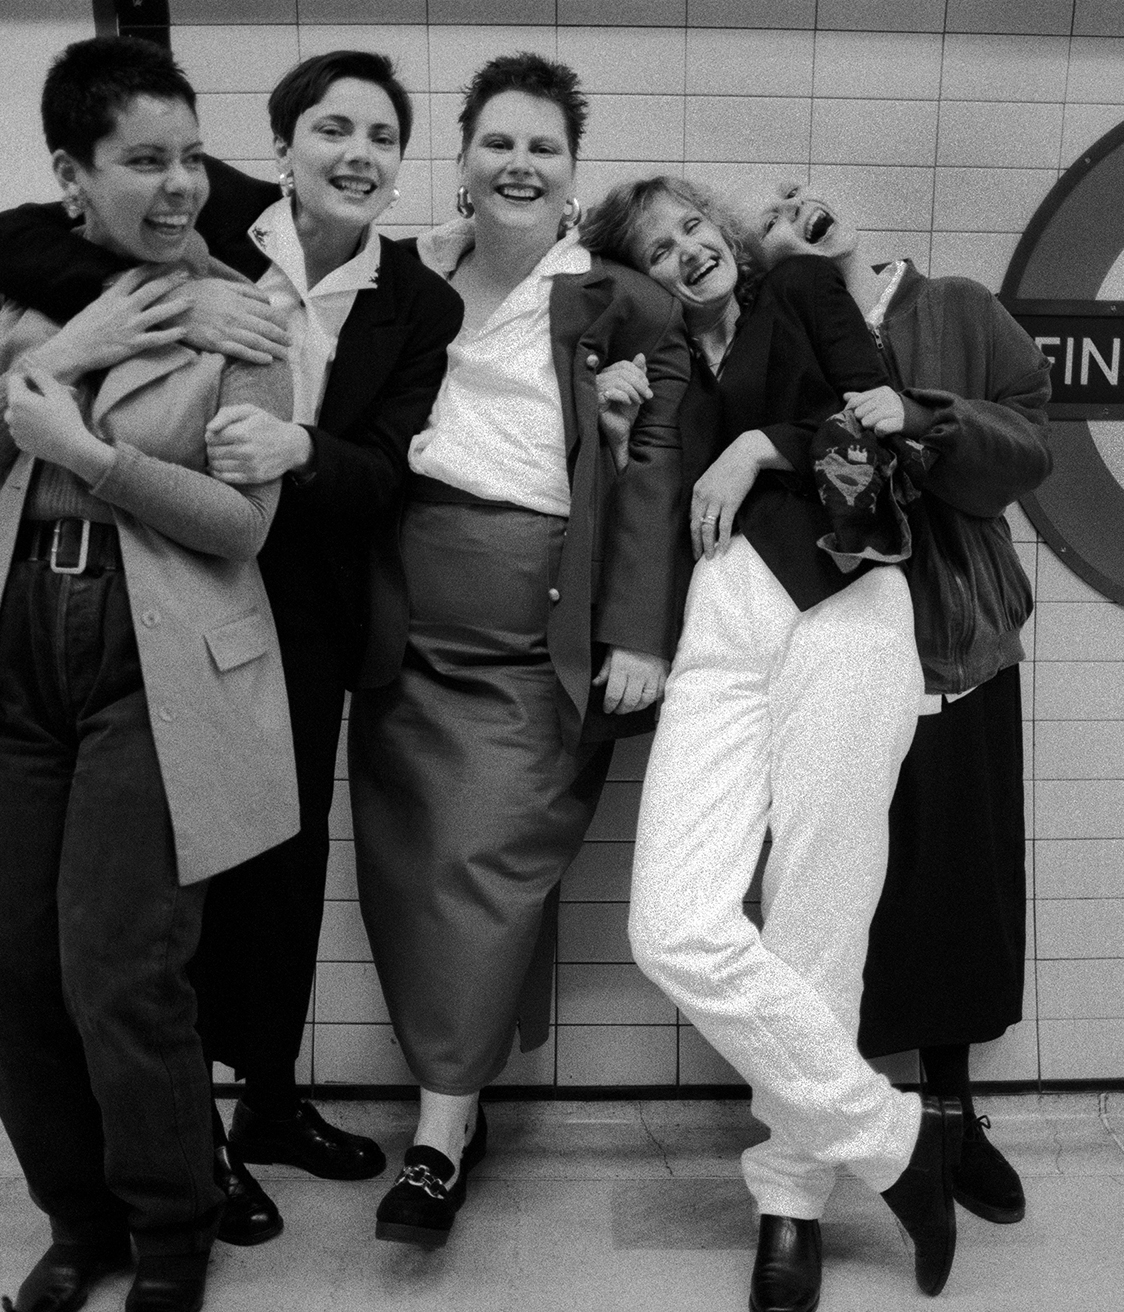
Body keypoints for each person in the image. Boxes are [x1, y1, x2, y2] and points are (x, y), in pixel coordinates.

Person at [0, 49, 465, 1240]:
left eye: (382, 137)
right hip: (172, 584)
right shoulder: (212, 219)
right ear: (282, 150)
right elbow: (4, 238)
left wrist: (304, 455)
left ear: (400, 166)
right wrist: (185, 300)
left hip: (305, 608)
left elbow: (392, 467)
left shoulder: (420, 302)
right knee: (172, 887)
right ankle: (182, 1137)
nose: (356, 153)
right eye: (331, 128)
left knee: (279, 872)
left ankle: (269, 1104)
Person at [0, 37, 294, 1312]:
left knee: (119, 967)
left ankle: (172, 1233)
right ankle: (78, 1223)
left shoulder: (242, 310)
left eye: (192, 156)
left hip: (158, 657)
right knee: (3, 970)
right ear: (73, 177)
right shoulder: (31, 303)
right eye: (148, 160)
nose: (183, 185)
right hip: (19, 644)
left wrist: (92, 450)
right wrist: (67, 350)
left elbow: (245, 526)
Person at [584, 174, 962, 1312]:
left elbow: (887, 421)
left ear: (726, 236)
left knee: (817, 910)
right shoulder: (650, 365)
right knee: (673, 921)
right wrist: (607, 426)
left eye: (692, 226)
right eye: (655, 248)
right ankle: (897, 1141)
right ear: (634, 277)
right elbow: (634, 503)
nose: (684, 250)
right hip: (719, 622)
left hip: (840, 605)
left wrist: (760, 443)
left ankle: (789, 1205)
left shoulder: (797, 292)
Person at [350, 52, 687, 1248]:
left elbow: (654, 474)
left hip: (532, 655)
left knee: (484, 878)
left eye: (542, 146)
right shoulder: (401, 279)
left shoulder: (620, 303)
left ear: (571, 171)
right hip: (398, 642)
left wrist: (640, 632)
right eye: (497, 142)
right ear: (460, 158)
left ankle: (434, 1144)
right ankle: (461, 1104)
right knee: (406, 878)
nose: (519, 164)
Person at [757, 184, 1050, 1229]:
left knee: (960, 882)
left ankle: (952, 1109)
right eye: (775, 211)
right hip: (834, 652)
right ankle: (846, 1128)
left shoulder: (958, 308)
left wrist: (925, 414)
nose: (798, 204)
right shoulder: (775, 317)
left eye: (809, 195)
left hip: (958, 640)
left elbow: (1029, 443)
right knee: (835, 889)